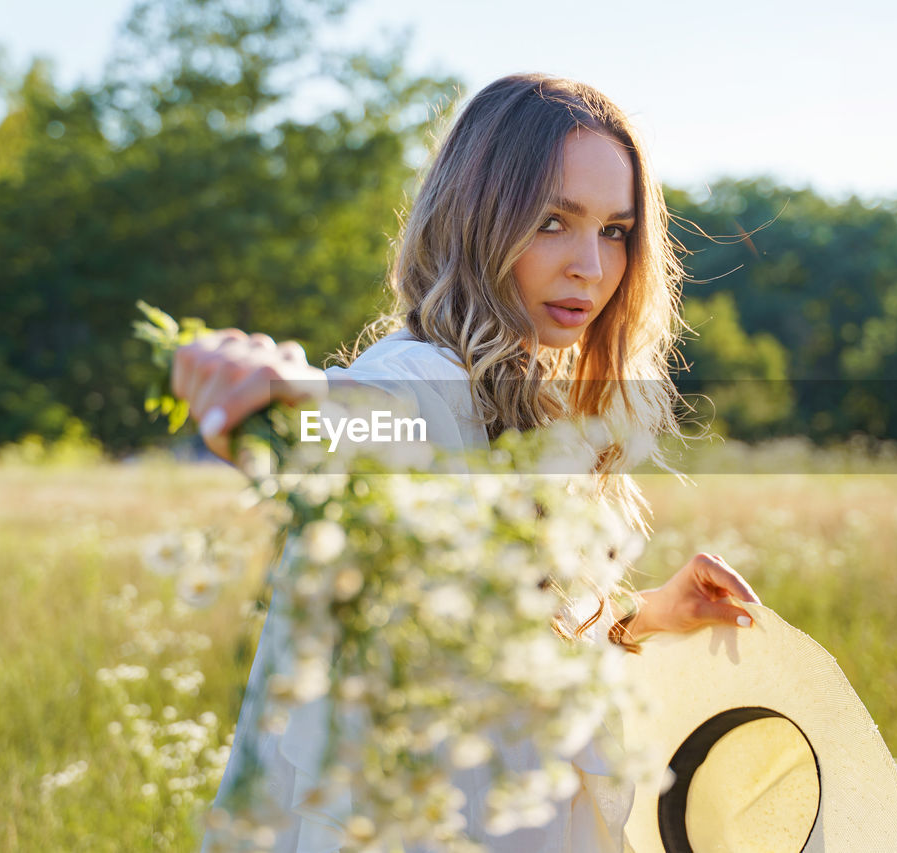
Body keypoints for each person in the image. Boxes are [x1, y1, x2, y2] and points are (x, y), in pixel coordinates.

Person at [173, 73, 760, 852]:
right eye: (553, 221)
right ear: (478, 222)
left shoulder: (532, 406)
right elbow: (349, 418)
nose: (591, 264)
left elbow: (510, 635)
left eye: (615, 230)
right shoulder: (425, 380)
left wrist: (643, 615)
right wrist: (257, 383)